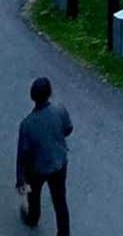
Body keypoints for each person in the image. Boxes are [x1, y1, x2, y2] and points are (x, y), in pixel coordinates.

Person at [15, 76, 71, 236]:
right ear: (50, 93)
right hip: (59, 164)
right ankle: (64, 233)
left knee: (33, 196)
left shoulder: (27, 124)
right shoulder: (60, 109)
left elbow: (22, 156)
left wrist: (20, 180)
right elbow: (68, 129)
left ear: (32, 97)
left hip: (37, 170)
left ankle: (33, 217)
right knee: (60, 201)